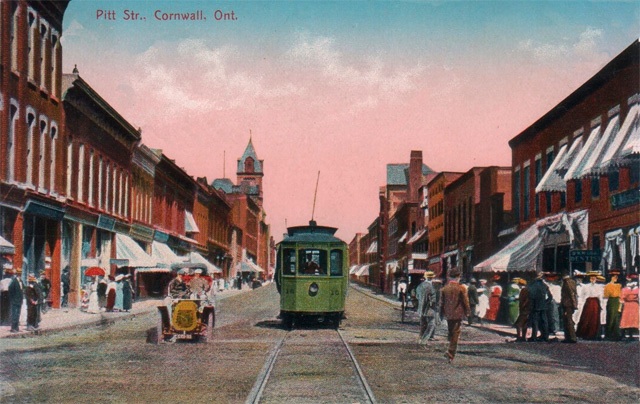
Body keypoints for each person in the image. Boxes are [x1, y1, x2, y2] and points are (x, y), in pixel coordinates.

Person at [440, 268, 470, 363]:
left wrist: (442, 313)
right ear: (458, 277)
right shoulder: (461, 288)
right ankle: (450, 352)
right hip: (458, 314)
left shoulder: (444, 288)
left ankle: (450, 348)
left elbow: (441, 303)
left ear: (449, 277)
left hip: (448, 314)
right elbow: (465, 301)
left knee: (451, 331)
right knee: (456, 333)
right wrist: (468, 312)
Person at [576, 271, 604, 340]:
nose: (593, 279)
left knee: (595, 318)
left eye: (594, 278)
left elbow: (600, 296)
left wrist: (601, 304)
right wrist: (581, 303)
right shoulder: (586, 286)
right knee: (587, 317)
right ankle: (585, 333)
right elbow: (582, 295)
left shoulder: (599, 287)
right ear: (589, 279)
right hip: (588, 302)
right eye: (591, 278)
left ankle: (594, 334)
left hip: (595, 302)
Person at [527, 272, 552, 341]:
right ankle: (545, 336)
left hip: (535, 305)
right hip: (543, 306)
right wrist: (546, 303)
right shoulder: (545, 286)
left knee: (535, 321)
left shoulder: (532, 285)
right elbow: (550, 297)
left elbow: (530, 296)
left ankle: (534, 336)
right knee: (544, 321)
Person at [417, 271, 437, 344]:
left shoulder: (420, 286)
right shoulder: (431, 287)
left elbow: (417, 296)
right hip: (429, 309)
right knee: (431, 324)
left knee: (423, 324)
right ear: (431, 278)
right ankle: (424, 340)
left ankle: (420, 338)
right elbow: (433, 299)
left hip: (420, 308)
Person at [603, 270, 622, 341]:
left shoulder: (619, 286)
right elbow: (606, 296)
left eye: (616, 277)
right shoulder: (607, 286)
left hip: (617, 301)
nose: (615, 278)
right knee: (610, 317)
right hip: (611, 301)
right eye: (614, 277)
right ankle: (609, 334)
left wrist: (620, 304)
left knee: (616, 317)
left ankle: (616, 334)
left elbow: (620, 295)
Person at [560, 272, 578, 343]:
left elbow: (571, 294)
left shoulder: (566, 283)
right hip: (569, 304)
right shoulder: (572, 282)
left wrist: (573, 304)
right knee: (568, 320)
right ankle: (569, 337)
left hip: (567, 304)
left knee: (568, 320)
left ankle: (571, 337)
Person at [619, 275, 639, 340]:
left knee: (633, 320)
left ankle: (631, 334)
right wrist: (620, 307)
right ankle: (623, 334)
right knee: (625, 319)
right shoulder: (625, 289)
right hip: (627, 305)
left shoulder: (638, 289)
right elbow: (622, 298)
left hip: (634, 305)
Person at [513, 278, 530, 342]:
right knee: (524, 324)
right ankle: (523, 337)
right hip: (526, 309)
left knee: (518, 324)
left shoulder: (524, 290)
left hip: (524, 310)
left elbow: (526, 300)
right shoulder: (526, 290)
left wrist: (523, 306)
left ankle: (519, 337)